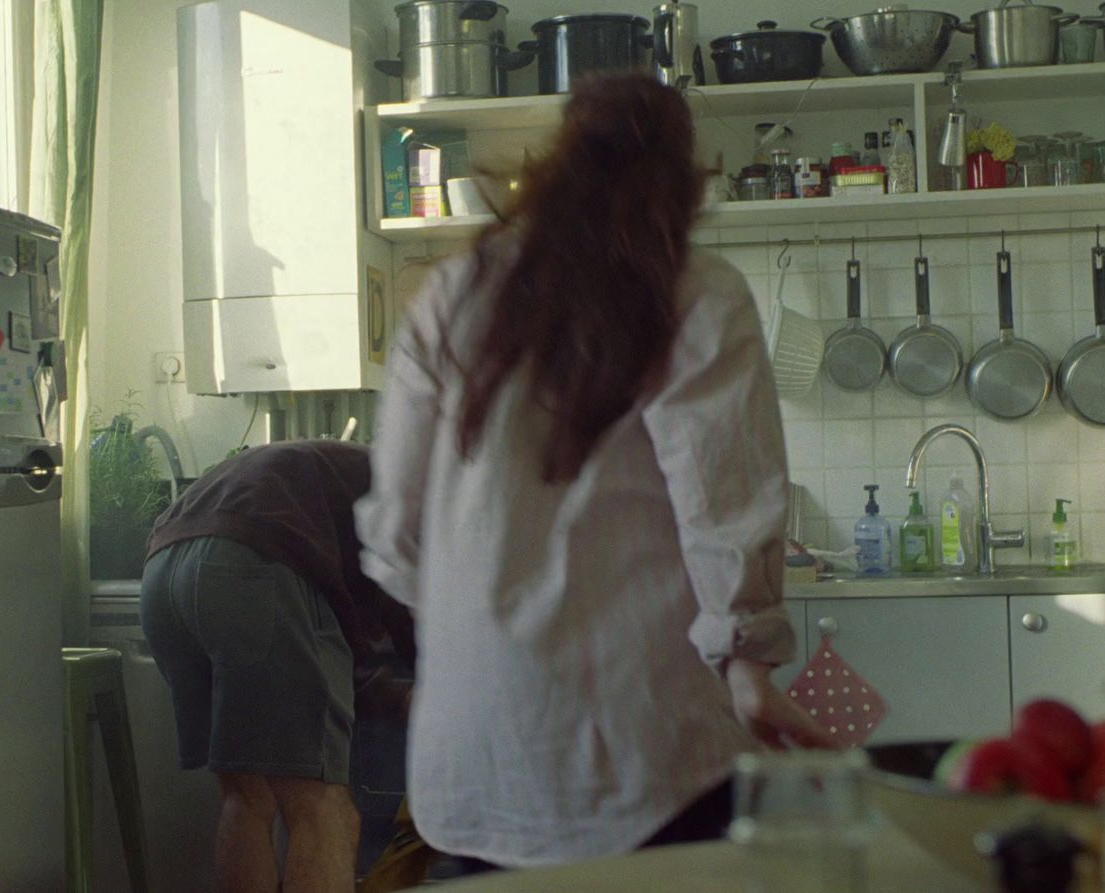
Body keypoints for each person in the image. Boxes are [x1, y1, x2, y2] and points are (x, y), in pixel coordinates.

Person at [354, 73, 831, 871]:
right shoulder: (698, 293)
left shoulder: (455, 292)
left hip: (477, 757)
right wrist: (746, 664)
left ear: (558, 158)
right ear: (683, 179)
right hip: (645, 754)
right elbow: (724, 502)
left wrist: (481, 632)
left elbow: (395, 532)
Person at [139, 440, 414, 893]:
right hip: (252, 565)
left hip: (164, 573)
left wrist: (395, 693)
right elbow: (408, 608)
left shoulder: (344, 472)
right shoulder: (411, 489)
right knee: (323, 806)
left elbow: (328, 644)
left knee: (249, 794)